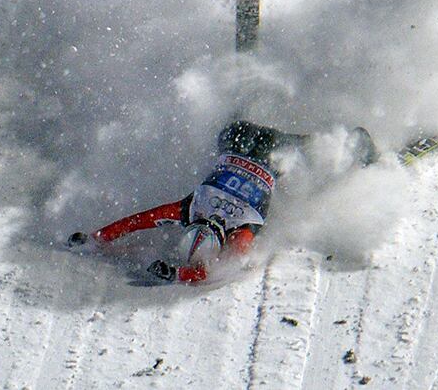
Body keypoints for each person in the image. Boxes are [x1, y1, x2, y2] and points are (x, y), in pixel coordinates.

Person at [68, 119, 378, 284]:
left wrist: (98, 238)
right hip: (251, 143)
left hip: (263, 151)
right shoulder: (194, 211)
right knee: (244, 134)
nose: (211, 220)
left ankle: (351, 148)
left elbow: (213, 270)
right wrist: (98, 237)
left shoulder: (210, 219)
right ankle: (348, 145)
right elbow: (138, 221)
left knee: (302, 161)